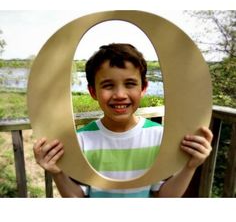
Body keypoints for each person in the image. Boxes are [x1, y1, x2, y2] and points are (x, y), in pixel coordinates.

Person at [33, 43, 213, 197]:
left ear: (143, 88)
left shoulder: (159, 136)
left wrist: (190, 166)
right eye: (108, 85)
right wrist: (57, 173)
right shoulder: (80, 139)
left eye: (130, 84)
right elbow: (78, 198)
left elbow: (163, 196)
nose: (120, 95)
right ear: (93, 92)